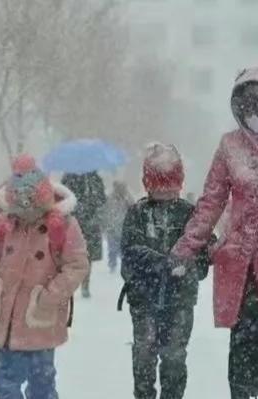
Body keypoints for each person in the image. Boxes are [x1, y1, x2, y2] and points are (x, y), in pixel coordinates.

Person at [0, 155, 89, 399]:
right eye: (19, 212)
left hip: (40, 320)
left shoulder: (63, 225)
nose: (25, 217)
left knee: (42, 386)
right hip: (6, 322)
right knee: (5, 386)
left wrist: (49, 296)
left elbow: (77, 264)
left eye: (32, 212)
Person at [171, 67, 258, 399]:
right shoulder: (229, 146)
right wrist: (185, 248)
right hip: (242, 264)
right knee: (244, 339)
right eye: (248, 105)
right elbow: (211, 202)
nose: (254, 112)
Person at [120, 143, 213, 399]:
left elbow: (202, 251)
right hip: (145, 300)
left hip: (179, 299)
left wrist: (199, 258)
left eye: (169, 186)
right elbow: (130, 252)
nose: (164, 193)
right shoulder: (138, 213)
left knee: (172, 357)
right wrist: (164, 263)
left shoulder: (189, 213)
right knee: (145, 356)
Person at [61, 171, 106, 297]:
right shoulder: (94, 178)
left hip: (78, 221)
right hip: (84, 222)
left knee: (76, 255)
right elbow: (102, 200)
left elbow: (62, 198)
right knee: (84, 256)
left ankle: (81, 284)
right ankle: (82, 284)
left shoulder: (70, 177)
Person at [104, 181, 133, 273]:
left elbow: (133, 209)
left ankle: (123, 265)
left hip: (123, 228)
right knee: (113, 249)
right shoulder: (110, 198)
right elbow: (106, 211)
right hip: (113, 227)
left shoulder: (127, 197)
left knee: (121, 249)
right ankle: (113, 265)